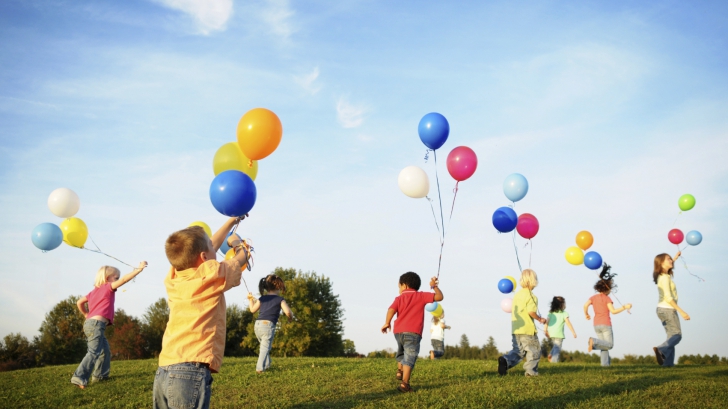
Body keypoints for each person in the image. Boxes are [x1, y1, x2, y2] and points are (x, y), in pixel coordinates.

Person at [153, 217, 251, 409]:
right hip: (189, 372)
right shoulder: (212, 274)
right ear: (205, 257)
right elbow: (241, 258)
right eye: (212, 248)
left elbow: (205, 248)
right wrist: (238, 243)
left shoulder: (173, 275)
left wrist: (231, 221)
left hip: (164, 370)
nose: (216, 248)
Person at [70, 262, 148, 388]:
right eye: (115, 278)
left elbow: (79, 302)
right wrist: (138, 270)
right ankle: (79, 377)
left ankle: (100, 377)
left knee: (104, 352)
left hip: (92, 324)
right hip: (96, 324)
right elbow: (124, 280)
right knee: (93, 352)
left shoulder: (93, 292)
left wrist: (86, 314)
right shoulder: (108, 287)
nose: (117, 280)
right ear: (107, 279)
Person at [381, 272, 443, 392]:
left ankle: (400, 371)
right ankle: (405, 384)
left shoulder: (399, 298)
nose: (399, 289)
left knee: (401, 351)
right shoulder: (421, 296)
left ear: (404, 285)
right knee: (410, 356)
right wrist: (434, 286)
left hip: (398, 332)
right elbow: (439, 297)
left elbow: (391, 309)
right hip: (413, 332)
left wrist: (387, 322)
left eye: (399, 286)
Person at [498, 269, 547, 377]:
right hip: (527, 329)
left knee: (518, 351)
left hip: (516, 329)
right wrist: (540, 319)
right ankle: (530, 372)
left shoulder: (517, 295)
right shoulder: (532, 296)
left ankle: (505, 360)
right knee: (534, 351)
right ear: (534, 281)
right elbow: (531, 312)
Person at [584, 263, 632, 367]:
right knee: (609, 345)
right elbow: (613, 311)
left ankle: (605, 366)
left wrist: (586, 314)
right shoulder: (607, 298)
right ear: (607, 288)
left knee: (604, 346)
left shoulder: (593, 297)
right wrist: (625, 307)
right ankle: (594, 342)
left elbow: (585, 305)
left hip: (596, 325)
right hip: (605, 324)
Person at [247, 274, 294, 373]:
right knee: (265, 347)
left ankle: (268, 365)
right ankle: (259, 368)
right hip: (268, 325)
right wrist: (290, 317)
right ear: (278, 286)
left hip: (258, 325)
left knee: (265, 345)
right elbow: (288, 312)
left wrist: (250, 300)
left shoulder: (262, 298)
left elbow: (252, 310)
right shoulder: (280, 299)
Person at [652, 251, 689, 367]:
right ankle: (661, 349)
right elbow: (668, 298)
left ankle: (668, 365)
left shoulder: (663, 276)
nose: (671, 261)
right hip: (668, 309)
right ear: (661, 263)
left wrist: (675, 258)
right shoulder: (665, 278)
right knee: (677, 335)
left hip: (662, 309)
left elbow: (668, 265)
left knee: (671, 337)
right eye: (668, 259)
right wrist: (681, 311)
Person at [545, 296, 576, 363]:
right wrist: (573, 332)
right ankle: (554, 362)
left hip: (551, 333)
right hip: (559, 334)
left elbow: (546, 323)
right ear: (562, 304)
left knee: (556, 346)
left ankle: (551, 354)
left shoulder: (550, 313)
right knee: (557, 348)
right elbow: (568, 323)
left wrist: (545, 330)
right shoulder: (564, 313)